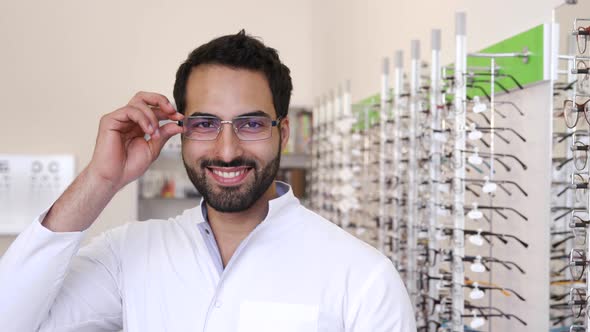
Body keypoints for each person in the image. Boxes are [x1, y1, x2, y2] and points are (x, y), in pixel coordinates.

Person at [0, 30, 415, 332]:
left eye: (251, 123)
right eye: (205, 124)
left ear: (283, 132)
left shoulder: (362, 276)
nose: (228, 149)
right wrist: (101, 179)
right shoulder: (128, 254)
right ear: (180, 129)